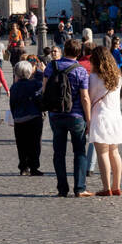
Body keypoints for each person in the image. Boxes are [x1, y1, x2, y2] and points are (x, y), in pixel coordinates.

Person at [43, 40, 93, 197]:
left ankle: (62, 188)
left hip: (56, 114)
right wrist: (89, 119)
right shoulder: (81, 70)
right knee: (79, 151)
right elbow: (85, 97)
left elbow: (44, 89)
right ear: (79, 53)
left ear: (64, 50)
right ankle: (80, 188)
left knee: (59, 152)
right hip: (76, 115)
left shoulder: (52, 66)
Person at [88, 48, 122, 196]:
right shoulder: (118, 77)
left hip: (100, 117)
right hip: (115, 117)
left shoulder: (93, 78)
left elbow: (90, 98)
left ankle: (106, 188)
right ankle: (116, 186)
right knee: (114, 152)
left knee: (102, 153)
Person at [8, 60, 44, 176]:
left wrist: (15, 116)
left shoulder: (14, 87)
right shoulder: (35, 84)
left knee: (21, 144)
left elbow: (12, 103)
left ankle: (23, 167)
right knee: (35, 143)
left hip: (19, 118)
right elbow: (41, 94)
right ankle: (34, 166)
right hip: (34, 117)